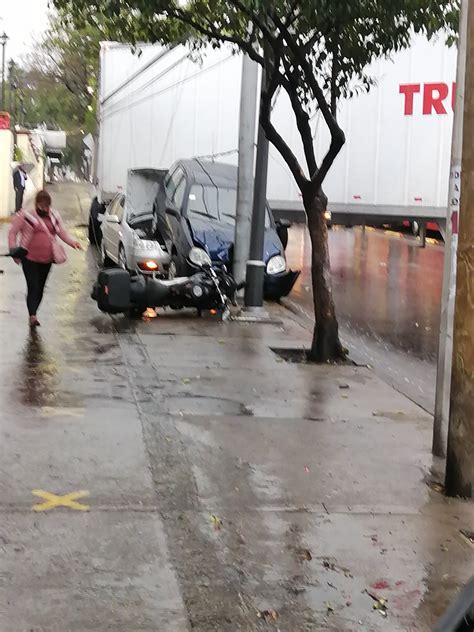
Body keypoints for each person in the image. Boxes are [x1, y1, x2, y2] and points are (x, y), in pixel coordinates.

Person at [8, 190, 82, 327]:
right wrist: (13, 249)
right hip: (29, 258)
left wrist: (72, 242)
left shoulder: (54, 215)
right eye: (42, 205)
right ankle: (33, 315)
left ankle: (34, 311)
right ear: (37, 204)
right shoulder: (26, 216)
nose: (45, 208)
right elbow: (12, 232)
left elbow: (61, 232)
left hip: (47, 259)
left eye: (47, 205)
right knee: (33, 286)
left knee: (40, 287)